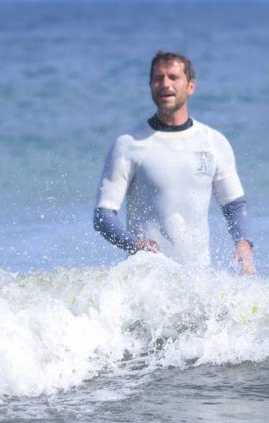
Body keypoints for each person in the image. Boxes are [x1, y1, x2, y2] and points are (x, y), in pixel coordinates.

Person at [93, 51, 255, 274]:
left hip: (198, 279)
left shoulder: (213, 142)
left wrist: (243, 244)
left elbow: (234, 205)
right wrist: (134, 245)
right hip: (145, 279)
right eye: (158, 78)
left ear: (190, 86)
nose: (165, 84)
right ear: (150, 86)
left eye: (173, 77)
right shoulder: (128, 144)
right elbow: (103, 216)